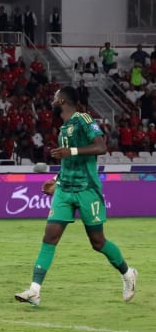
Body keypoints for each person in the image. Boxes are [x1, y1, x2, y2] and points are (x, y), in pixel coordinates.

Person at [15, 86, 137, 306]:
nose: (51, 101)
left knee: (98, 242)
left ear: (62, 101)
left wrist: (71, 151)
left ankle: (128, 274)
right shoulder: (64, 128)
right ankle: (34, 290)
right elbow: (70, 163)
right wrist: (57, 181)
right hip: (65, 190)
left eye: (54, 98)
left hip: (87, 189)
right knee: (50, 236)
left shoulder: (83, 118)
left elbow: (101, 147)